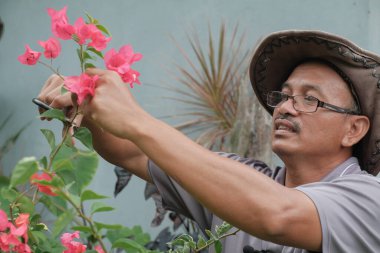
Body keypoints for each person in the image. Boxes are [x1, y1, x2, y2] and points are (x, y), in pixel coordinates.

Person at [37, 30, 380, 253]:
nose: (286, 107)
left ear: (354, 129)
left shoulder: (368, 200)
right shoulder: (239, 179)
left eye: (310, 99)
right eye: (284, 95)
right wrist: (85, 100)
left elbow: (279, 214)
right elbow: (128, 151)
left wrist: (137, 120)